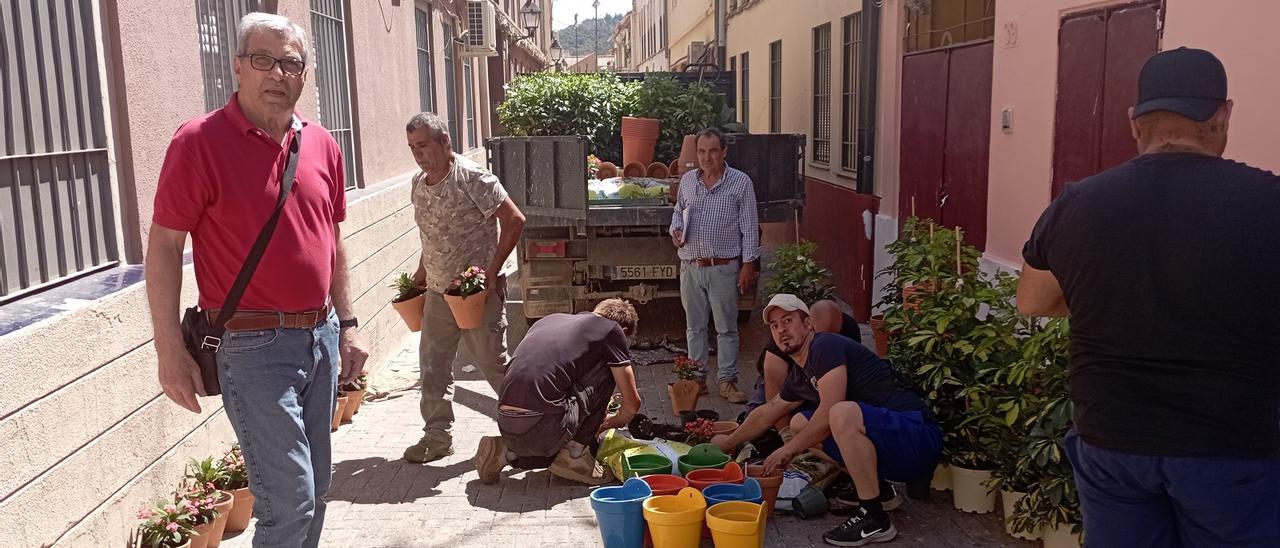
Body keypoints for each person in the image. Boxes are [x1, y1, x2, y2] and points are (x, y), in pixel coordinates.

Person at [1018, 47, 1280, 547]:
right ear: (1224, 113)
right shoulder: (1269, 202)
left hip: (1112, 440)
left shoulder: (1077, 202)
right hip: (1229, 446)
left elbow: (1033, 300)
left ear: (1134, 120)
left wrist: (1117, 293)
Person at [145, 13, 368, 547]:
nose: (278, 73)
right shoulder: (198, 143)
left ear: (304, 74)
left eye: (291, 62)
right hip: (251, 346)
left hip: (321, 338)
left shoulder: (322, 145)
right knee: (289, 501)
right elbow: (164, 247)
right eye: (264, 60)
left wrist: (350, 325)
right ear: (239, 66)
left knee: (314, 496)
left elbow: (331, 242)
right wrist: (168, 350)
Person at [714, 294, 940, 547]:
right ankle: (880, 492)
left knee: (839, 413)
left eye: (788, 320)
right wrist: (725, 444)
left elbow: (831, 408)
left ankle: (874, 519)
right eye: (775, 326)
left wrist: (786, 450)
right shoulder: (801, 373)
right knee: (800, 422)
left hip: (916, 437)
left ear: (809, 324)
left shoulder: (825, 346)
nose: (781, 331)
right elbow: (768, 412)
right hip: (892, 446)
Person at [403, 112, 526, 464]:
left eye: (424, 145)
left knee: (494, 366)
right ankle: (436, 437)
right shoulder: (418, 184)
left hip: (475, 294)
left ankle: (531, 427)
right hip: (439, 295)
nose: (418, 154)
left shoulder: (473, 178)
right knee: (432, 366)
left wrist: (492, 271)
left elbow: (515, 220)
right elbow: (430, 238)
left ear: (445, 142)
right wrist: (418, 279)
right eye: (412, 147)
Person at [472, 299, 642, 485]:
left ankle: (505, 451)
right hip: (544, 427)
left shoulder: (548, 320)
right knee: (610, 368)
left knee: (550, 445)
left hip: (507, 423)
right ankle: (574, 454)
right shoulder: (611, 329)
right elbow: (632, 404)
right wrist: (611, 422)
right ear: (623, 331)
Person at [669, 127, 759, 404]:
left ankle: (727, 382)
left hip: (723, 267)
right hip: (691, 267)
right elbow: (678, 213)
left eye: (713, 151)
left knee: (726, 328)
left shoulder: (740, 183)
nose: (707, 157)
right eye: (702, 151)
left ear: (724, 152)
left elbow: (749, 227)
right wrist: (675, 230)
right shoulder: (687, 182)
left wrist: (748, 265)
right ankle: (697, 380)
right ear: (696, 153)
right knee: (694, 327)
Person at [745, 299, 863, 417]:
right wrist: (784, 432)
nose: (821, 344)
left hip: (820, 382)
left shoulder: (847, 329)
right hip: (782, 379)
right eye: (774, 325)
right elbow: (773, 388)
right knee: (756, 416)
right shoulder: (785, 337)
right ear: (809, 325)